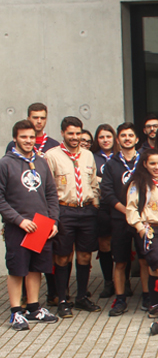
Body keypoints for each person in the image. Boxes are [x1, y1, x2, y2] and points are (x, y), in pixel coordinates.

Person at [0, 119, 60, 330]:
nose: (28, 141)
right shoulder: (5, 163)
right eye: (23, 137)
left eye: (31, 137)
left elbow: (51, 194)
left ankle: (34, 308)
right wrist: (19, 220)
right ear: (15, 138)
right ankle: (16, 312)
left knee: (36, 268)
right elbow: (1, 199)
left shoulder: (41, 162)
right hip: (18, 227)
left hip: (41, 225)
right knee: (17, 269)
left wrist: (53, 220)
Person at [46, 116, 102, 316]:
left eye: (78, 133)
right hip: (64, 209)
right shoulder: (51, 156)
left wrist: (94, 205)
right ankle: (62, 299)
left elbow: (94, 184)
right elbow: (48, 188)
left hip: (86, 210)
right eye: (70, 133)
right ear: (62, 133)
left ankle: (81, 297)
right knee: (62, 256)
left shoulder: (88, 155)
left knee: (85, 255)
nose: (75, 137)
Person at [125, 150, 158, 317]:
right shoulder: (138, 183)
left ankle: (154, 305)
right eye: (152, 163)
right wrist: (140, 228)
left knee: (155, 271)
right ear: (144, 164)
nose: (157, 167)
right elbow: (131, 208)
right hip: (149, 230)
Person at [101, 123, 143, 316]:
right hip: (119, 218)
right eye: (123, 136)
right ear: (118, 140)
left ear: (137, 139)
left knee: (144, 260)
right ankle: (119, 299)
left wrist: (137, 213)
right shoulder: (111, 164)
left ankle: (148, 296)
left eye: (130, 135)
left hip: (142, 219)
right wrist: (126, 211)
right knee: (120, 261)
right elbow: (107, 193)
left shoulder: (145, 161)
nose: (127, 138)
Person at [92, 123, 118, 298]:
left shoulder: (120, 157)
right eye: (101, 137)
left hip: (120, 205)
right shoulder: (92, 158)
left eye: (108, 136)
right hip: (101, 206)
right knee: (105, 244)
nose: (105, 140)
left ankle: (123, 281)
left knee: (122, 243)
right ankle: (108, 282)